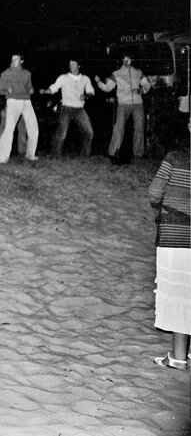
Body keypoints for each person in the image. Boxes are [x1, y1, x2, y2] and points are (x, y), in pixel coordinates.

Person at [147, 134, 190, 371]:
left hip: (176, 233)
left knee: (179, 292)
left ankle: (178, 357)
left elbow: (154, 193)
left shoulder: (175, 159)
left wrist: (160, 210)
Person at [96, 55, 152, 162]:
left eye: (128, 59)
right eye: (124, 59)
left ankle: (138, 155)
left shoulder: (138, 72)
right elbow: (108, 88)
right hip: (123, 104)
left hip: (138, 104)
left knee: (139, 127)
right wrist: (99, 83)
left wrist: (141, 91)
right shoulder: (116, 74)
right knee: (119, 128)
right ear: (122, 60)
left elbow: (147, 85)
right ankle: (113, 153)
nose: (126, 61)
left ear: (131, 60)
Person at [40, 59, 95, 157]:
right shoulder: (63, 77)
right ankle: (56, 155)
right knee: (62, 132)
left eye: (74, 64)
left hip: (80, 109)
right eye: (70, 65)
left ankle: (86, 155)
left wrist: (86, 96)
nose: (71, 66)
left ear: (79, 66)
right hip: (66, 108)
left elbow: (91, 92)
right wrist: (45, 91)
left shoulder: (85, 78)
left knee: (89, 131)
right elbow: (54, 88)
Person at [0, 53, 38, 163]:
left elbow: (30, 87)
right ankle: (0, 157)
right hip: (13, 101)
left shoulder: (27, 74)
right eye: (12, 59)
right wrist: (6, 91)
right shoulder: (6, 74)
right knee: (9, 129)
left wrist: (32, 90)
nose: (13, 61)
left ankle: (30, 155)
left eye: (16, 59)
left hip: (27, 101)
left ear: (21, 61)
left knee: (34, 129)